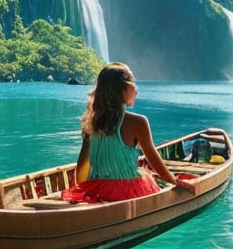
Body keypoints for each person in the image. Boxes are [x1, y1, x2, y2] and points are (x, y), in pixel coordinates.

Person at [63, 62, 194, 203]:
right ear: (120, 89)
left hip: (98, 189)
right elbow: (153, 158)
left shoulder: (91, 123)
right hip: (126, 191)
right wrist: (173, 180)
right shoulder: (138, 122)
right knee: (151, 177)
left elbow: (83, 163)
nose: (136, 89)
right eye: (132, 81)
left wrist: (83, 190)